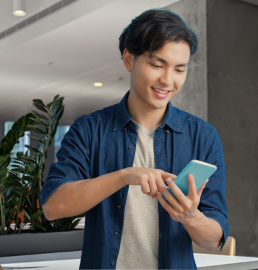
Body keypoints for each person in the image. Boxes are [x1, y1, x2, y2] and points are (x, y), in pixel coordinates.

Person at [39, 8, 229, 270]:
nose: (167, 80)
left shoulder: (202, 136)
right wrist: (124, 176)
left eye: (179, 69)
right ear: (129, 59)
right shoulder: (89, 130)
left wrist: (190, 217)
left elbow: (214, 237)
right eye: (156, 65)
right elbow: (52, 206)